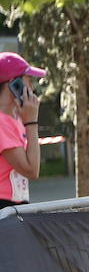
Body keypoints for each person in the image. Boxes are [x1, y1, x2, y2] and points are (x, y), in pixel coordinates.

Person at [0, 52, 45, 208]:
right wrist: (32, 122)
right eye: (29, 81)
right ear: (14, 84)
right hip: (4, 208)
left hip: (15, 205)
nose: (32, 87)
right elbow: (32, 170)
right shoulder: (1, 123)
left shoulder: (16, 119)